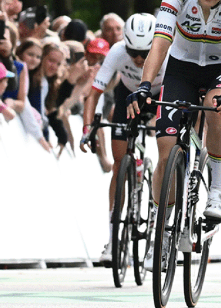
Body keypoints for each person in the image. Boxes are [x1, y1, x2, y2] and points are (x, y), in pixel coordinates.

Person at [126, 0, 221, 272]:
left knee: (215, 106)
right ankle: (161, 230)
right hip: (181, 67)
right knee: (165, 149)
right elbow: (160, 44)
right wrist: (144, 86)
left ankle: (218, 189)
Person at [79, 13, 167, 264]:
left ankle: (159, 225)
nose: (138, 59)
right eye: (133, 52)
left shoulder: (167, 51)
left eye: (144, 53)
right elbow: (94, 93)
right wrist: (87, 128)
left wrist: (156, 121)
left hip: (160, 96)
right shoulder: (117, 52)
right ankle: (113, 239)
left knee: (166, 150)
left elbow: (173, 90)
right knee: (119, 166)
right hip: (127, 96)